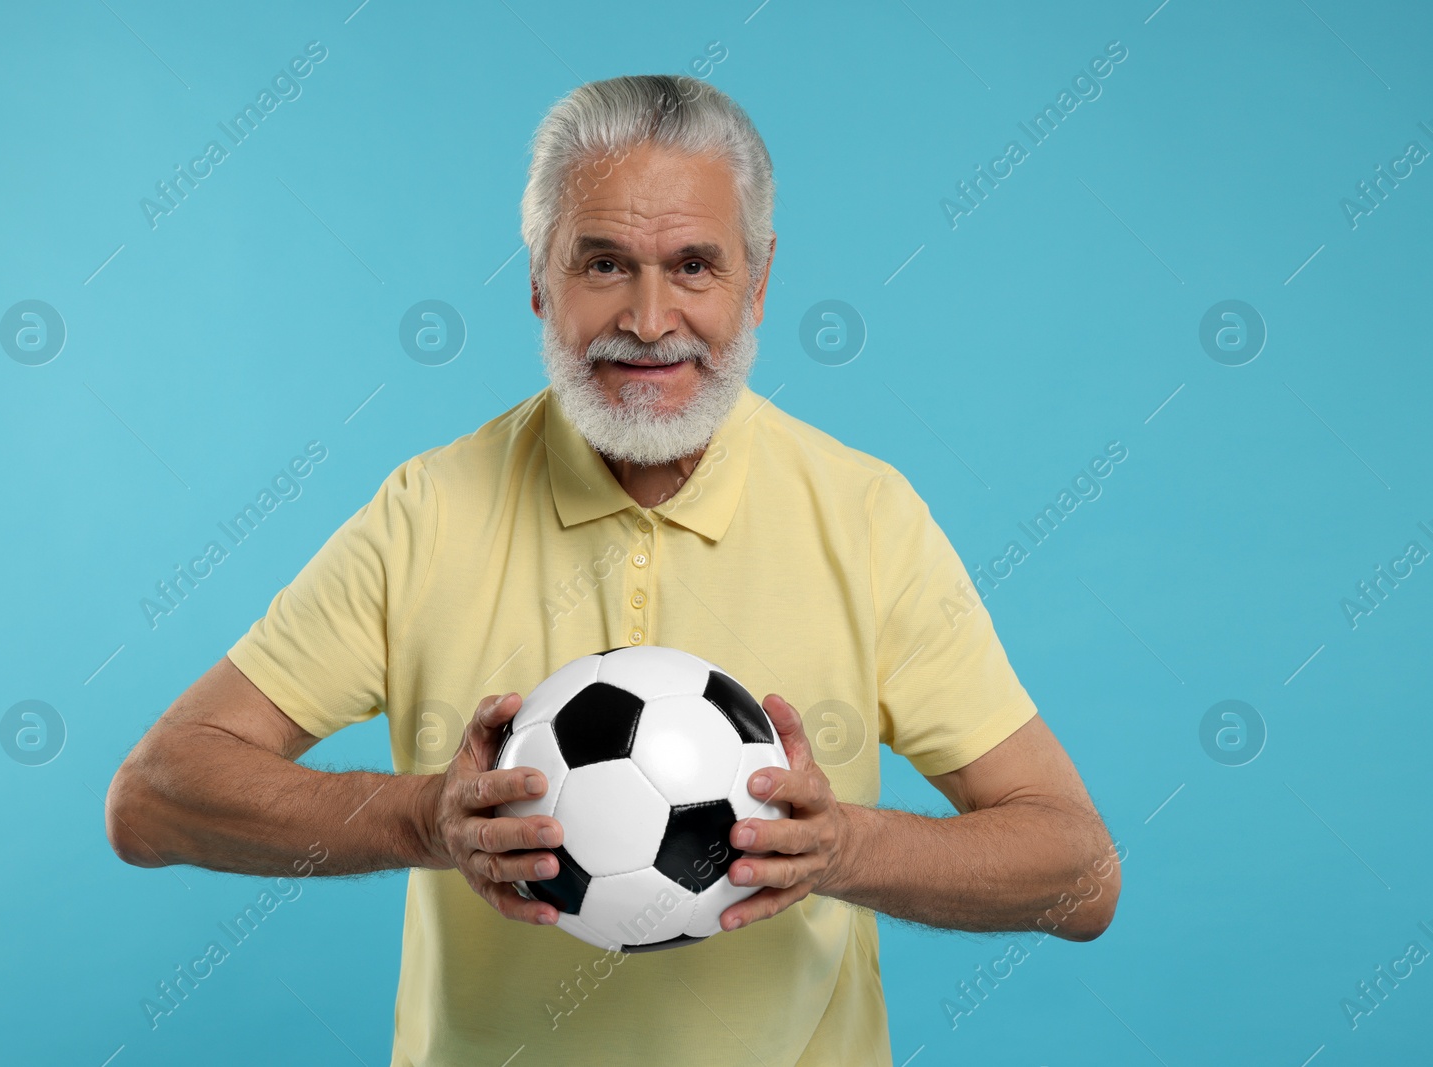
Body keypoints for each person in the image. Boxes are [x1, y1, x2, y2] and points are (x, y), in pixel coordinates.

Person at [106, 73, 1120, 1066]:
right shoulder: (427, 511)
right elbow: (153, 798)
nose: (646, 318)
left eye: (692, 266)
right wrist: (424, 817)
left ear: (758, 281)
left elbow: (1080, 874)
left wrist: (846, 846)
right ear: (539, 279)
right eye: (602, 264)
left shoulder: (865, 517)